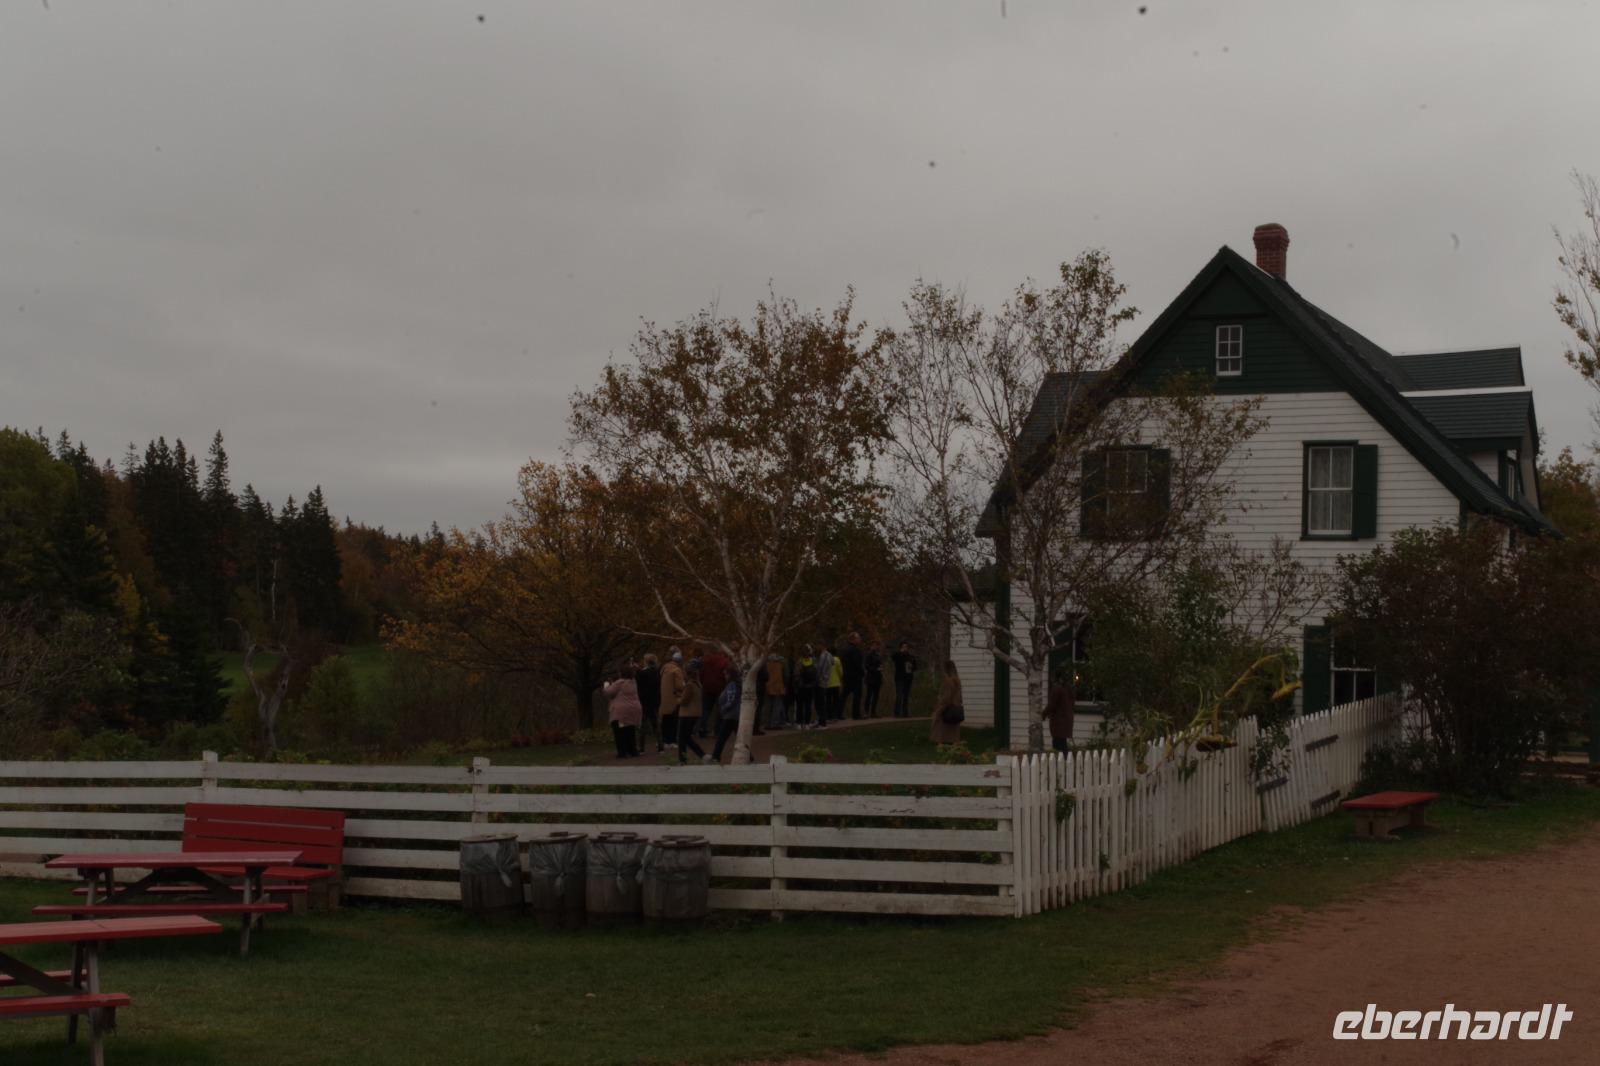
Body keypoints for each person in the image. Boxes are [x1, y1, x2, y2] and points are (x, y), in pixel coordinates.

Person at [604, 663, 643, 759]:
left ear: (621, 673)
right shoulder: (633, 682)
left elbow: (609, 692)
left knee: (619, 732)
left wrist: (606, 685)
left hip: (621, 712)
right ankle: (633, 750)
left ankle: (622, 752)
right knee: (630, 731)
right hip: (634, 709)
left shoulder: (619, 683)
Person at [677, 655, 710, 763]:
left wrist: (677, 699)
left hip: (686, 714)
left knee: (682, 739)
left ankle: (683, 760)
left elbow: (684, 701)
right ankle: (702, 755)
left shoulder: (689, 685)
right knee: (687, 738)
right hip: (695, 713)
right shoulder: (698, 684)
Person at [697, 645, 730, 738]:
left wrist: (703, 683)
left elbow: (701, 674)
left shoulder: (705, 661)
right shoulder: (724, 661)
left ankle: (702, 729)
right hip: (720, 687)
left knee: (706, 710)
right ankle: (717, 731)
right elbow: (727, 675)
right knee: (720, 710)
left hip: (707, 687)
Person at [930, 659, 963, 746]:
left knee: (940, 726)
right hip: (956, 706)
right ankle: (955, 744)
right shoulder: (957, 680)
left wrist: (939, 709)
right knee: (954, 727)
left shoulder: (948, 681)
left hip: (947, 707)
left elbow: (946, 697)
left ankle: (941, 744)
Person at [711, 674, 742, 762]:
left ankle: (715, 756)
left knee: (721, 737)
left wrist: (723, 709)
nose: (724, 675)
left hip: (730, 715)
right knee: (739, 737)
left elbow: (730, 700)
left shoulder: (732, 685)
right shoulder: (734, 684)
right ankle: (716, 755)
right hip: (733, 715)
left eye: (725, 673)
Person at [635, 653, 663, 754]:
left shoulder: (642, 673)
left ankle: (641, 748)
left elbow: (638, 685)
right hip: (654, 701)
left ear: (646, 661)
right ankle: (660, 747)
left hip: (644, 702)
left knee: (643, 725)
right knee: (656, 724)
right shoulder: (657, 672)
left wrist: (637, 670)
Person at [659, 647, 686, 751]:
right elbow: (679, 685)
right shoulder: (677, 670)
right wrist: (685, 686)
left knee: (665, 721)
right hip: (675, 699)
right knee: (674, 721)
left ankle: (664, 741)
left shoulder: (664, 668)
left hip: (664, 699)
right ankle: (672, 741)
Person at [1045, 670, 1076, 754]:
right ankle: (1065, 761)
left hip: (1059, 722)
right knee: (1063, 743)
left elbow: (1051, 705)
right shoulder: (1068, 689)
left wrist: (1043, 714)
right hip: (1067, 720)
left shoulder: (1057, 689)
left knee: (1058, 745)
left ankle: (1062, 763)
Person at [758, 652, 788, 729]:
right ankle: (774, 723)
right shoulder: (782, 662)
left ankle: (766, 723)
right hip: (778, 685)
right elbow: (786, 675)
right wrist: (785, 684)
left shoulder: (765, 662)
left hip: (767, 685)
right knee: (777, 706)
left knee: (767, 705)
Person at [840, 632, 865, 720]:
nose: (860, 640)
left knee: (844, 694)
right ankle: (856, 714)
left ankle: (838, 713)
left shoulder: (844, 650)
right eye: (858, 638)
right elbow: (857, 663)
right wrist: (862, 672)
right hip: (855, 676)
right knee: (857, 695)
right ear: (853, 639)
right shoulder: (855, 650)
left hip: (846, 675)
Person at [795, 645, 821, 728]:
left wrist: (798, 684)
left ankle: (799, 723)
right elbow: (817, 675)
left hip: (801, 687)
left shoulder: (799, 662)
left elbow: (796, 675)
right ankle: (807, 723)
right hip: (810, 687)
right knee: (808, 706)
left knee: (800, 706)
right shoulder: (813, 662)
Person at [890, 641, 918, 718]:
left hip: (908, 678)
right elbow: (892, 657)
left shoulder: (911, 657)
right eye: (904, 647)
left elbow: (915, 667)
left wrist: (912, 668)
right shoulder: (898, 655)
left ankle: (905, 713)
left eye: (906, 647)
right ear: (901, 647)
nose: (905, 648)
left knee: (906, 696)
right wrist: (900, 652)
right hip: (899, 678)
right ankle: (897, 713)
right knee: (899, 696)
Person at [823, 644, 844, 722]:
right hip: (836, 683)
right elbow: (840, 672)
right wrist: (841, 678)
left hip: (827, 683)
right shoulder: (837, 660)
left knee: (828, 700)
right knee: (835, 700)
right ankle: (835, 716)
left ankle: (828, 716)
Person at [863, 640, 884, 718]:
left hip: (878, 678)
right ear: (871, 646)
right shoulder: (868, 655)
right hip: (870, 678)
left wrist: (881, 669)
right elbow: (867, 666)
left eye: (877, 646)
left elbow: (880, 665)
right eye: (875, 645)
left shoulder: (878, 655)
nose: (876, 647)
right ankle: (866, 712)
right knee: (869, 695)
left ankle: (873, 712)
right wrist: (876, 669)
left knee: (876, 696)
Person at [814, 643, 835, 721]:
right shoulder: (830, 655)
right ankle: (822, 718)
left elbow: (820, 668)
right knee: (823, 700)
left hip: (820, 680)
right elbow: (833, 663)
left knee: (819, 702)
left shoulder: (823, 656)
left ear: (822, 646)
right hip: (826, 679)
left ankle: (821, 719)